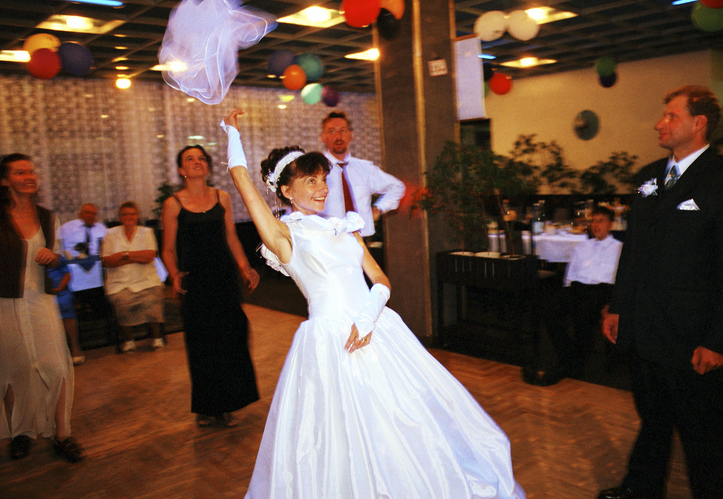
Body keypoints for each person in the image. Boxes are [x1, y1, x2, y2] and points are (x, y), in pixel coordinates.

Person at [222, 109, 525, 499]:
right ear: (285, 191)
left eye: (323, 180)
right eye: (309, 181)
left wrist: (368, 317)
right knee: (342, 435)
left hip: (376, 330)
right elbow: (243, 184)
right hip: (331, 343)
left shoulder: (344, 226)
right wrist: (233, 139)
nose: (322, 188)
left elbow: (380, 280)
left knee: (406, 424)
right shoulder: (284, 238)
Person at [599, 86, 723, 499]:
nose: (659, 123)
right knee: (652, 417)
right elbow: (633, 247)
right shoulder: (647, 177)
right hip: (643, 324)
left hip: (691, 333)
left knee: (703, 430)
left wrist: (718, 340)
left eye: (670, 115)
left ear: (698, 123)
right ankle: (641, 488)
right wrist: (618, 307)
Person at [161, 144, 260, 428]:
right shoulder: (173, 204)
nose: (197, 162)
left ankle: (228, 403)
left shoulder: (222, 197)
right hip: (196, 283)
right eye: (190, 159)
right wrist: (174, 274)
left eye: (201, 158)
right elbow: (167, 249)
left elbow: (232, 238)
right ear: (181, 170)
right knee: (202, 344)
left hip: (224, 280)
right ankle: (207, 406)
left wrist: (245, 267)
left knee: (232, 337)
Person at [0, 153, 84, 463]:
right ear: (5, 180)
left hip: (42, 302)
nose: (29, 176)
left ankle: (62, 434)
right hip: (5, 304)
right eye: (20, 172)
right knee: (14, 369)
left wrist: (55, 257)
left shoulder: (48, 217)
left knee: (57, 365)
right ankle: (19, 432)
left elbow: (61, 258)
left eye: (32, 171)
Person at [532, 205, 622, 386]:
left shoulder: (620, 249)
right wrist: (567, 291)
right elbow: (570, 274)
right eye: (593, 221)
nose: (595, 225)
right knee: (549, 307)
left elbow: (621, 280)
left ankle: (572, 365)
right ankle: (569, 358)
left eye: (601, 221)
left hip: (602, 291)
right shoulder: (583, 246)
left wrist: (613, 303)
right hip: (578, 288)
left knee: (584, 314)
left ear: (610, 225)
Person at [318, 111, 406, 238]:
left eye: (343, 130)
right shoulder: (316, 170)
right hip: (329, 241)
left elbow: (397, 187)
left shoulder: (365, 169)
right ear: (323, 137)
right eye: (331, 131)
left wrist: (378, 208)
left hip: (361, 241)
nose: (338, 136)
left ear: (351, 135)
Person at [101, 201, 166, 353]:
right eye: (125, 214)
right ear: (120, 217)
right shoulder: (110, 234)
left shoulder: (146, 232)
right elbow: (107, 261)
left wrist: (123, 256)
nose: (129, 217)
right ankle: (129, 340)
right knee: (123, 303)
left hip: (146, 280)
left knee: (151, 300)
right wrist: (136, 256)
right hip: (119, 282)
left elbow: (150, 256)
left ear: (137, 216)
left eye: (132, 214)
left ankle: (156, 338)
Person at [60, 202, 113, 343]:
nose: (90, 216)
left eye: (93, 213)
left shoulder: (102, 228)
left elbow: (109, 247)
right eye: (87, 213)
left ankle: (102, 310)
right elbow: (60, 248)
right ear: (80, 214)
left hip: (98, 266)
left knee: (103, 286)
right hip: (73, 265)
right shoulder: (66, 228)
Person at [46, 255, 85, 365]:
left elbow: (67, 274)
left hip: (60, 290)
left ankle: (74, 348)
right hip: (42, 292)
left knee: (65, 305)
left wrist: (59, 288)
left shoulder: (56, 257)